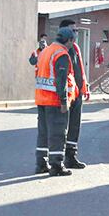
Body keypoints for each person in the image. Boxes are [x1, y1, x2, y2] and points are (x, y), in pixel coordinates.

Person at [34, 27, 78, 176]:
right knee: (58, 133)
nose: (73, 44)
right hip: (54, 100)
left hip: (41, 98)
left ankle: (41, 163)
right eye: (73, 40)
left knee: (44, 133)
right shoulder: (61, 54)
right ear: (69, 40)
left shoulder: (46, 51)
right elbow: (61, 79)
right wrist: (64, 101)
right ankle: (56, 166)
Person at [59, 19, 89, 169]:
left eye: (77, 31)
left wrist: (84, 86)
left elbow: (80, 69)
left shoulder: (75, 48)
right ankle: (57, 160)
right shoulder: (60, 49)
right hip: (65, 96)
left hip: (77, 94)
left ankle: (71, 156)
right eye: (73, 30)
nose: (76, 33)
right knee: (62, 127)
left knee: (75, 126)